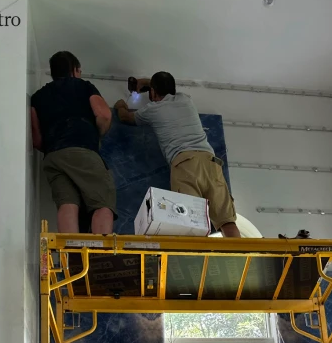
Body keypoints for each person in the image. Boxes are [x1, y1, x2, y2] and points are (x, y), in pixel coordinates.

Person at [114, 72, 241, 238]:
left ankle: (195, 255)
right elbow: (164, 88)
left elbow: (125, 118)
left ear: (152, 92)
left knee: (191, 224)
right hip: (211, 162)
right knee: (227, 221)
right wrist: (146, 83)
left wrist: (120, 105)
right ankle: (238, 252)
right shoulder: (185, 99)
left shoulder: (152, 110)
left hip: (185, 164)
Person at [31, 51, 116, 234]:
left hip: (53, 156)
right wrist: (96, 134)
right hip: (82, 149)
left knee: (67, 203)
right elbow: (104, 115)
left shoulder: (37, 97)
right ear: (75, 70)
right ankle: (101, 250)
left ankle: (69, 251)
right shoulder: (84, 86)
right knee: (102, 202)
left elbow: (36, 140)